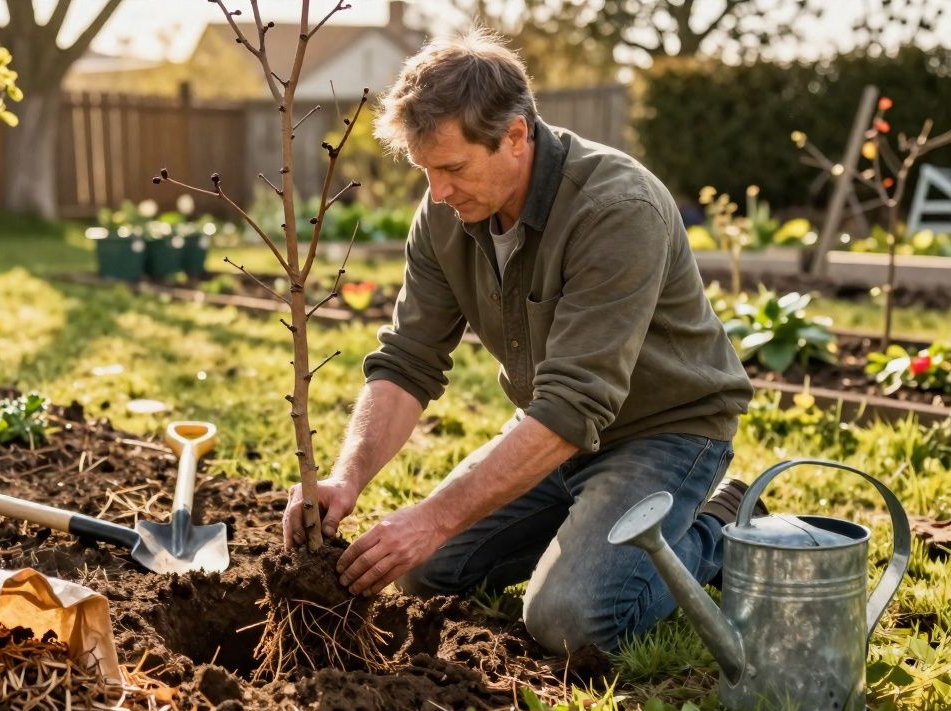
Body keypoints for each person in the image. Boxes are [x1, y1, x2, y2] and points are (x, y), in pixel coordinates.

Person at [281, 29, 755, 654]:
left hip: (663, 433)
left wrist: (432, 517)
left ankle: (722, 525)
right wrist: (346, 479)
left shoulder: (616, 208)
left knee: (572, 620)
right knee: (425, 571)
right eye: (428, 170)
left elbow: (574, 403)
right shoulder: (447, 212)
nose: (440, 192)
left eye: (452, 167)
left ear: (515, 136)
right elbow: (409, 359)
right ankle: (588, 523)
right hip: (553, 435)